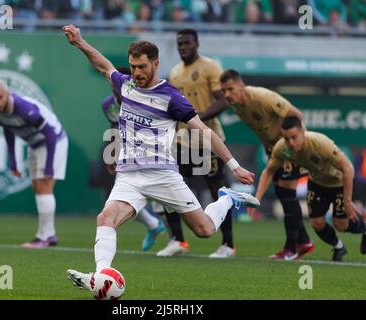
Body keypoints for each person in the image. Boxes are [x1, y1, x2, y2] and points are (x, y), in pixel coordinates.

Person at [61, 24, 260, 294]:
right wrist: (80, 43)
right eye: (132, 67)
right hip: (130, 176)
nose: (137, 73)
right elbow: (103, 65)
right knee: (105, 219)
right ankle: (100, 278)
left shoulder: (172, 98)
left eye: (142, 67)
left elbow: (205, 132)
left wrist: (234, 166)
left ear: (155, 63)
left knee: (204, 230)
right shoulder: (126, 85)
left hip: (163, 175)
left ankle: (227, 198)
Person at [201, 69, 314, 260]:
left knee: (286, 192)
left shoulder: (262, 97)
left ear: (241, 85)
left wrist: (293, 147)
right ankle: (302, 242)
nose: (227, 95)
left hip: (289, 148)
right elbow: (261, 128)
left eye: (230, 89)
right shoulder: (237, 106)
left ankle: (293, 246)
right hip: (275, 150)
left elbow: (296, 115)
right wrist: (270, 149)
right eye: (224, 91)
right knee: (283, 192)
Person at [249, 116, 366, 262]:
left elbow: (348, 167)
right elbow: (268, 171)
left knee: (341, 225)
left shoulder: (320, 143)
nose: (290, 143)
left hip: (337, 183)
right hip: (316, 183)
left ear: (302, 131)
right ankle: (338, 246)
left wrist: (347, 201)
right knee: (317, 223)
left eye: (294, 137)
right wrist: (256, 199)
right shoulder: (282, 148)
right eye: (286, 138)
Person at [159, 28, 235, 259]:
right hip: (182, 141)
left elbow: (224, 100)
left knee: (216, 191)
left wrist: (197, 118)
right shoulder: (174, 73)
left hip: (209, 141)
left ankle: (228, 245)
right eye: (180, 43)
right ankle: (178, 240)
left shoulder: (210, 67)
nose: (183, 47)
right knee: (168, 187)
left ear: (197, 44)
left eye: (187, 43)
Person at [0, 80, 68, 249]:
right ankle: (49, 234)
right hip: (35, 144)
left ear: (7, 93)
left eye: (0, 97)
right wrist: (13, 161)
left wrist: (49, 166)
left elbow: (50, 133)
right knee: (37, 188)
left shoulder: (23, 108)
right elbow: (8, 130)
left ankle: (43, 237)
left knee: (44, 186)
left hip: (54, 141)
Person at [101, 66, 166, 252]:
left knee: (163, 199)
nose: (116, 87)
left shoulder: (146, 99)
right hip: (127, 153)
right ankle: (154, 225)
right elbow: (113, 127)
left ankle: (175, 238)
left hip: (154, 153)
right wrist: (111, 154)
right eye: (112, 83)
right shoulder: (108, 104)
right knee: (122, 199)